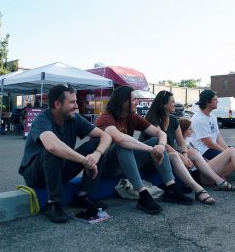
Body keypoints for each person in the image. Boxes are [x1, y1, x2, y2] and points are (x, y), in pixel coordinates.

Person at [18, 84, 112, 223]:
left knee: (96, 143)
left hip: (60, 169)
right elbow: (52, 146)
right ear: (57, 103)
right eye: (72, 102)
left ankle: (83, 196)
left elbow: (106, 136)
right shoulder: (42, 119)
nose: (76, 106)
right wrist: (84, 160)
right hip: (36, 175)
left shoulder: (74, 118)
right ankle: (53, 203)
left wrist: (96, 154)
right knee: (52, 149)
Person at [95, 86, 193, 214]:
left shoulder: (132, 117)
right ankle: (142, 195)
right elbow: (120, 139)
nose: (137, 102)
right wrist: (152, 149)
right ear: (123, 102)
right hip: (107, 167)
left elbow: (160, 133)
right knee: (124, 145)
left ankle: (171, 188)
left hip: (126, 164)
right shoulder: (105, 118)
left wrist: (161, 145)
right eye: (134, 99)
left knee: (155, 141)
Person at [141, 90, 221, 204]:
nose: (175, 104)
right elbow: (164, 144)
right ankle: (199, 190)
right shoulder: (151, 119)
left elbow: (182, 141)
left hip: (165, 156)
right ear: (164, 104)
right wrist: (182, 157)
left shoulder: (173, 119)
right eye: (172, 102)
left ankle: (218, 180)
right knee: (174, 155)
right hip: (150, 158)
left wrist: (185, 154)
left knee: (192, 152)